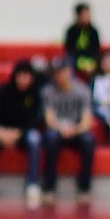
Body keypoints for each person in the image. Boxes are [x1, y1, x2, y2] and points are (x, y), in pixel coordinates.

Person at [0, 59, 44, 208]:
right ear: (15, 76)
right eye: (21, 75)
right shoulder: (2, 91)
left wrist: (19, 133)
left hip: (23, 133)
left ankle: (33, 184)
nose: (23, 80)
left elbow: (36, 119)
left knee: (35, 139)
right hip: (2, 132)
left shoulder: (35, 95)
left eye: (27, 76)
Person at [41, 55, 95, 204]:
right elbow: (49, 119)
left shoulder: (82, 90)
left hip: (77, 131)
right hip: (58, 130)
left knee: (88, 140)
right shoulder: (48, 91)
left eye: (61, 72)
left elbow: (87, 121)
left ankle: (84, 187)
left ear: (69, 71)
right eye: (55, 73)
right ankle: (49, 188)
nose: (58, 76)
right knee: (51, 138)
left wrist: (75, 130)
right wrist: (62, 128)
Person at [64, 1, 101, 79]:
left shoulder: (93, 30)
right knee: (69, 61)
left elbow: (96, 48)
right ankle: (72, 85)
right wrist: (81, 60)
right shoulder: (72, 30)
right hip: (76, 57)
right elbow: (69, 48)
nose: (88, 16)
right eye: (85, 14)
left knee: (99, 62)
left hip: (90, 57)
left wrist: (88, 62)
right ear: (78, 15)